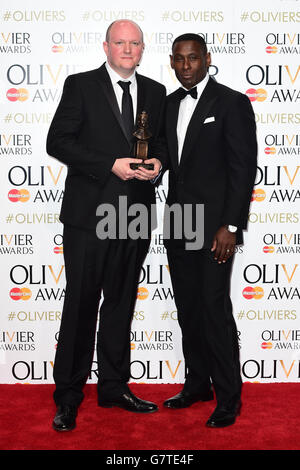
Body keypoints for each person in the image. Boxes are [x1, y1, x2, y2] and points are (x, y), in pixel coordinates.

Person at [46, 19, 167, 432]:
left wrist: (158, 164)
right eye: (120, 42)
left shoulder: (155, 91)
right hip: (89, 215)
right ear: (106, 46)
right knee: (80, 304)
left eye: (134, 43)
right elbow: (57, 141)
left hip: (134, 215)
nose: (127, 49)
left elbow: (163, 144)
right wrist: (108, 166)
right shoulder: (80, 85)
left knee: (120, 304)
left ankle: (114, 387)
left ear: (143, 48)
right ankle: (68, 396)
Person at [162, 34, 257, 427]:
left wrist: (231, 226)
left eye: (194, 58)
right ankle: (198, 383)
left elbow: (242, 168)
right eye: (180, 60)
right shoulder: (168, 104)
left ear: (207, 59)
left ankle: (229, 398)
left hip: (216, 228)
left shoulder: (231, 102)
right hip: (178, 222)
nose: (187, 66)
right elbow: (170, 159)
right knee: (188, 310)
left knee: (214, 311)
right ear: (172, 62)